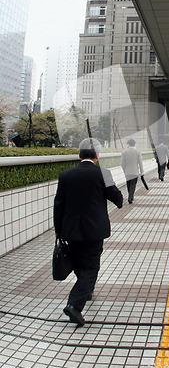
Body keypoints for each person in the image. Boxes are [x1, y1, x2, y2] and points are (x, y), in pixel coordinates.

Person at [53, 138, 123, 326]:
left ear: (79, 154)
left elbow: (58, 204)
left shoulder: (65, 175)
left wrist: (58, 230)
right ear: (97, 155)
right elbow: (118, 199)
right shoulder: (103, 173)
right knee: (91, 268)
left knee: (79, 264)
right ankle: (74, 305)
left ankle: (86, 290)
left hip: (70, 230)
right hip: (94, 230)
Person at [121, 138, 144, 204]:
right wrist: (142, 171)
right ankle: (130, 197)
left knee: (128, 184)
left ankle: (130, 196)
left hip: (127, 172)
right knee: (133, 185)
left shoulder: (124, 152)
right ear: (134, 144)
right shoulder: (138, 152)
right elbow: (140, 162)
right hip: (135, 172)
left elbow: (122, 164)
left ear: (128, 144)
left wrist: (124, 170)